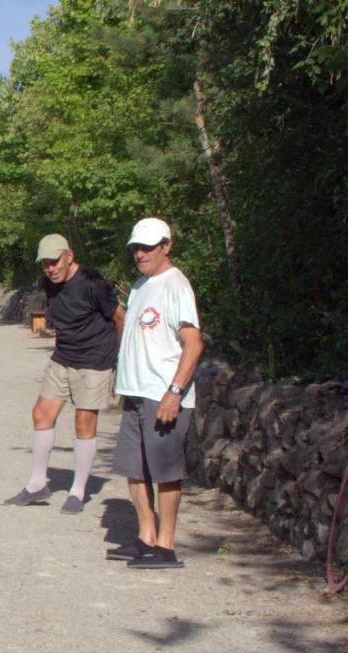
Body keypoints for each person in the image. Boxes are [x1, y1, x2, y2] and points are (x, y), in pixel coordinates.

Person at [107, 217, 204, 569]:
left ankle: (166, 544)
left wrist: (174, 392)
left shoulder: (175, 285)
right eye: (136, 247)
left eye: (148, 247)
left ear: (167, 246)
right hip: (135, 391)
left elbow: (193, 343)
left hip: (161, 393)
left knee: (165, 471)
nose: (140, 253)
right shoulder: (139, 286)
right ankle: (146, 536)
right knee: (134, 468)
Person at [5, 234, 124, 512]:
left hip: (94, 361)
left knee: (84, 422)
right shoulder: (49, 283)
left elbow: (120, 316)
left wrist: (119, 357)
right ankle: (37, 485)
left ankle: (77, 492)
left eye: (54, 262)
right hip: (63, 357)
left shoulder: (93, 284)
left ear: (69, 256)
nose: (50, 268)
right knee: (41, 413)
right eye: (45, 263)